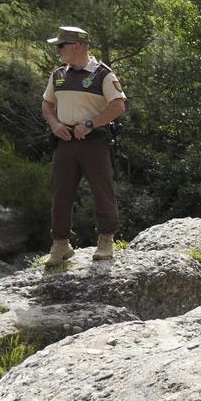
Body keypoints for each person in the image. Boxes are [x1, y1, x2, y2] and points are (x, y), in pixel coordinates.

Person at [41, 26, 127, 266]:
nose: (58, 51)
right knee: (60, 192)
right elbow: (47, 105)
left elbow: (118, 105)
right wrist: (54, 123)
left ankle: (106, 241)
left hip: (94, 142)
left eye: (61, 46)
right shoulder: (58, 75)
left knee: (102, 190)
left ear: (76, 46)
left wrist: (91, 123)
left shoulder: (103, 75)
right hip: (65, 141)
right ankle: (60, 245)